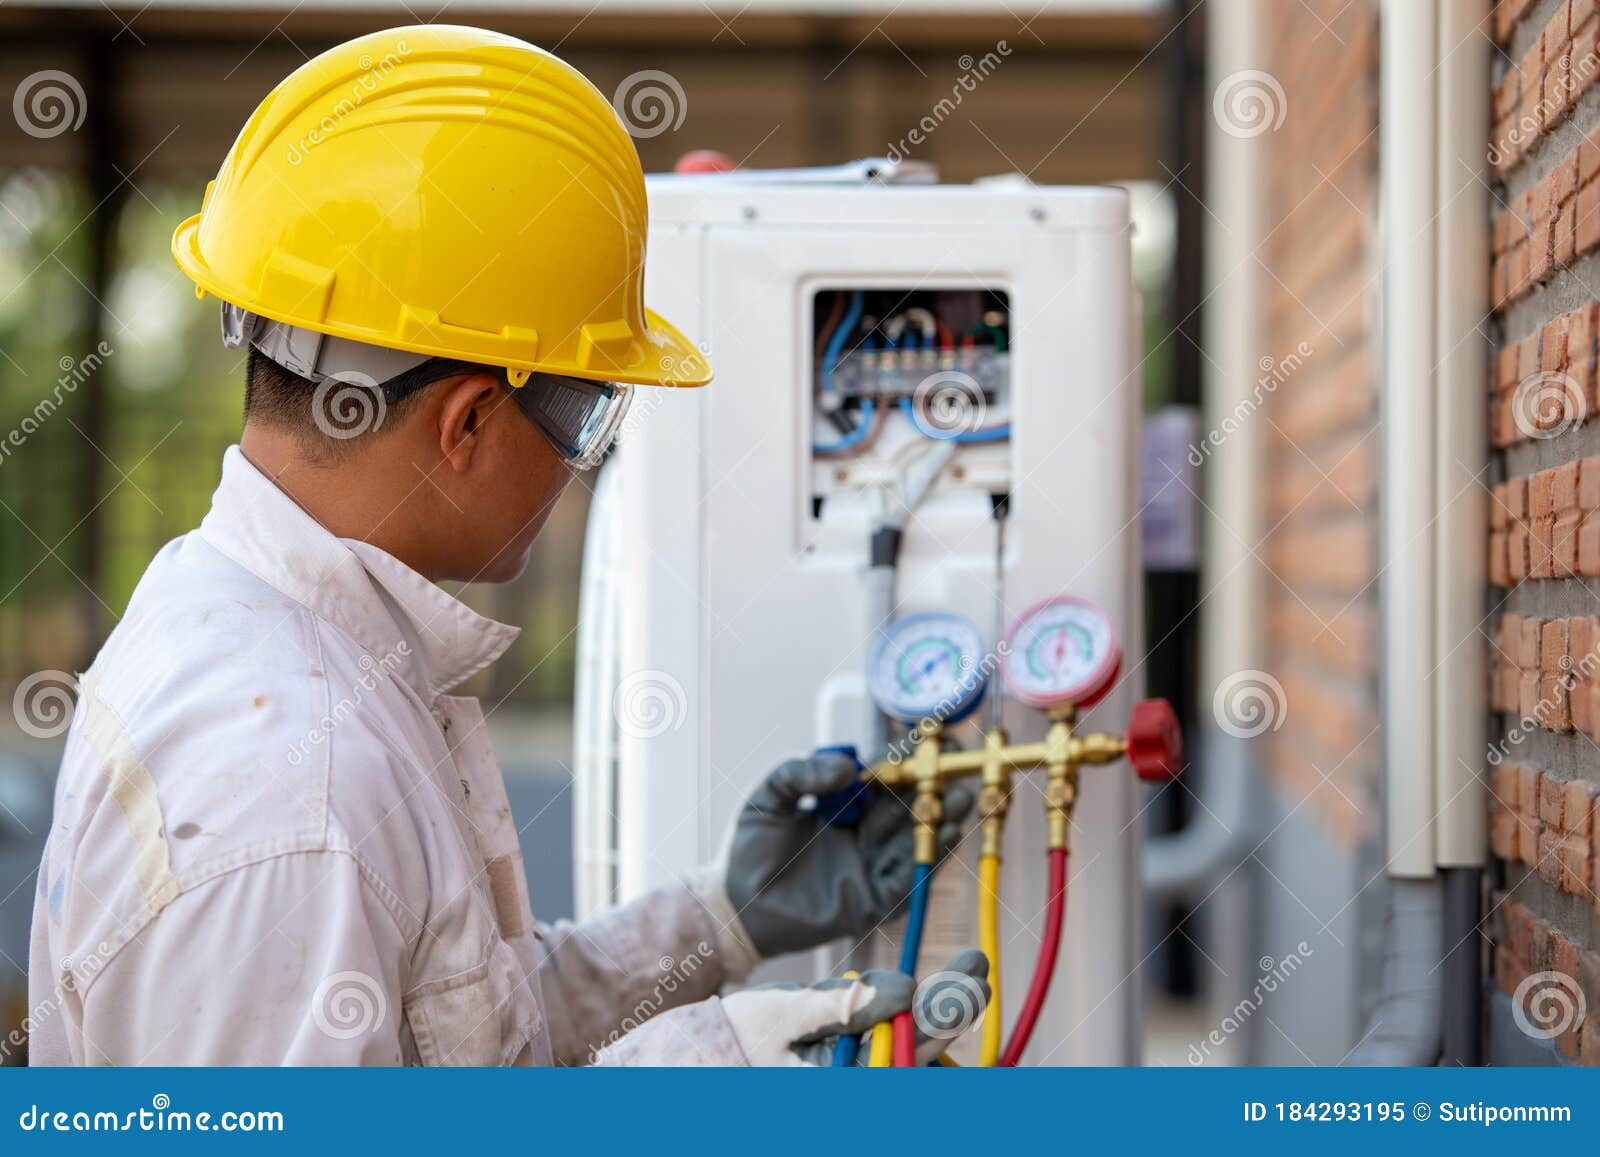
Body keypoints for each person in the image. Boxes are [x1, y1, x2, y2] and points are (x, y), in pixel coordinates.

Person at [26, 25, 985, 1066]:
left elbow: (465, 1031)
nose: (582, 465)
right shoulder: (289, 783)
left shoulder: (260, 633)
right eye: (588, 414)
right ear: (470, 417)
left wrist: (718, 920)